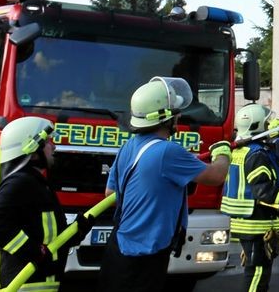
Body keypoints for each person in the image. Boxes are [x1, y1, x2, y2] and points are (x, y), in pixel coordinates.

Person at [97, 76, 231, 292]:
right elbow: (216, 176)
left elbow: (110, 192)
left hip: (120, 249)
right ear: (166, 118)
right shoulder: (168, 152)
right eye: (176, 111)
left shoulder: (128, 147)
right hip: (146, 254)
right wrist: (223, 152)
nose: (179, 115)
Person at [0, 116, 93, 291]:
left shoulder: (36, 184)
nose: (54, 146)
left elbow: (45, 238)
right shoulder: (20, 183)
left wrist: (75, 233)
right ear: (32, 147)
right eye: (49, 142)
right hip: (23, 285)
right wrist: (33, 251)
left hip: (40, 284)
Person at [221, 104, 279, 292]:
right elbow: (263, 189)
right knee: (257, 273)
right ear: (257, 126)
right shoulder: (257, 154)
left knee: (256, 270)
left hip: (246, 222)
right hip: (256, 224)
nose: (270, 126)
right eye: (267, 123)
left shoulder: (240, 151)